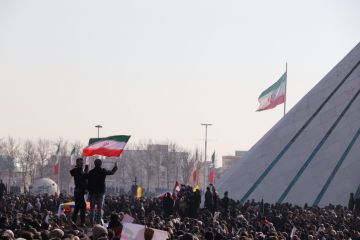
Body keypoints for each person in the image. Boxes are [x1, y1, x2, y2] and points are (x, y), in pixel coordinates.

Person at [87, 159, 117, 225]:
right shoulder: (103, 171)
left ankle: (91, 223)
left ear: (94, 164)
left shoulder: (91, 172)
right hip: (101, 192)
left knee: (92, 209)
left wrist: (89, 190)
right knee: (99, 209)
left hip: (93, 193)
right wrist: (115, 167)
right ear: (101, 164)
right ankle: (98, 223)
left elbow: (88, 182)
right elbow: (111, 172)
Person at [70, 158, 88, 226]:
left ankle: (74, 221)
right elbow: (82, 180)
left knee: (78, 207)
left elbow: (84, 178)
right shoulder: (77, 170)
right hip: (78, 192)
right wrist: (85, 171)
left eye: (82, 162)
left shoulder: (79, 170)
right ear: (77, 163)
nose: (82, 164)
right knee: (82, 206)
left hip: (79, 192)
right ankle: (81, 222)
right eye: (80, 163)